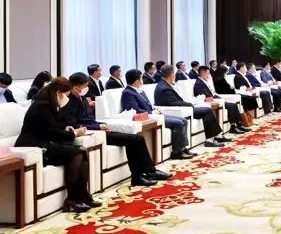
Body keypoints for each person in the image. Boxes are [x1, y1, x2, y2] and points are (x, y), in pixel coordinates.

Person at [61, 72, 171, 187]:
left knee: (138, 139)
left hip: (98, 129)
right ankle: (139, 176)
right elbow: (75, 124)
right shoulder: (69, 102)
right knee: (134, 140)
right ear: (76, 87)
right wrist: (98, 127)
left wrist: (101, 124)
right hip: (92, 133)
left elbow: (90, 119)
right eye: (85, 86)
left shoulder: (83, 99)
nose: (87, 88)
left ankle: (149, 172)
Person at [15, 77, 96, 212]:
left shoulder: (48, 104)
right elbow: (52, 132)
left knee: (82, 151)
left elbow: (53, 127)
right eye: (66, 95)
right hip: (33, 146)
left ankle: (82, 195)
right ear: (59, 92)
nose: (66, 98)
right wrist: (74, 133)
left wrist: (67, 129)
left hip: (45, 142)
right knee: (78, 151)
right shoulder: (42, 106)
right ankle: (73, 198)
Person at [121, 69, 195, 160]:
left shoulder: (139, 90)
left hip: (153, 114)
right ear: (136, 81)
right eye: (141, 78)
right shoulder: (128, 93)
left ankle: (183, 148)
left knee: (183, 120)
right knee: (178, 123)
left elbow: (148, 105)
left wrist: (154, 109)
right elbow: (134, 110)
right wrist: (151, 112)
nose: (142, 80)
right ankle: (177, 152)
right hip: (148, 117)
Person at [155, 64, 226, 148]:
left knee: (207, 110)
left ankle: (214, 136)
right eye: (173, 73)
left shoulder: (164, 84)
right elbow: (174, 103)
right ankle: (210, 140)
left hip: (182, 109)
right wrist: (188, 104)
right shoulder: (164, 88)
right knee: (207, 110)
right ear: (171, 74)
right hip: (178, 111)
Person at [196, 66, 251, 133]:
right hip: (210, 101)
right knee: (232, 106)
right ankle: (233, 127)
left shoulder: (205, 81)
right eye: (208, 73)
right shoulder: (199, 83)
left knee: (233, 105)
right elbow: (203, 96)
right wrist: (216, 98)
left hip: (215, 98)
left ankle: (238, 125)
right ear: (203, 73)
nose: (209, 75)